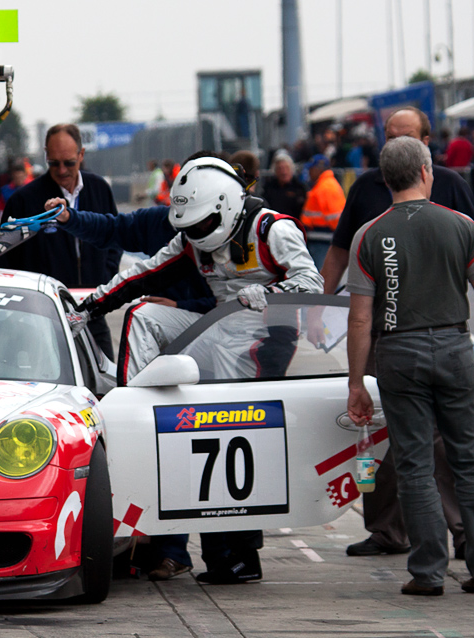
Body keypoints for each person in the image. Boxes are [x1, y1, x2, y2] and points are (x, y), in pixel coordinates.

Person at [68, 156, 323, 583]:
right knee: (143, 315)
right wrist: (89, 305)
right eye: (188, 227)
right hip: (217, 329)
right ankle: (136, 414)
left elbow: (312, 284)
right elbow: (143, 272)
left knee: (226, 432)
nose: (195, 236)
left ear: (225, 206)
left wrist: (271, 292)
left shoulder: (272, 229)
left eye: (202, 226)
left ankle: (241, 554)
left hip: (265, 337)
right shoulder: (191, 237)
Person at [317, 107, 474, 562]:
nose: (393, 146)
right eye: (389, 137)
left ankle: (458, 537)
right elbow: (337, 251)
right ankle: (389, 531)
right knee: (386, 441)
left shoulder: (451, 188)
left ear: (427, 147)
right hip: (389, 338)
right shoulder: (366, 192)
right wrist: (316, 305)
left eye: (405, 137)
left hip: (420, 338)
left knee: (440, 451)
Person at [346, 136, 474, 596]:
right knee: (469, 462)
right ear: (425, 172)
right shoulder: (460, 226)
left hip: (398, 352)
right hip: (454, 347)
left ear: (386, 178)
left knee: (415, 466)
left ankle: (428, 572)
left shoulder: (369, 235)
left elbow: (360, 318)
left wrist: (356, 382)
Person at [0, 123, 122, 358]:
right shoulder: (24, 200)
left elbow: (116, 237)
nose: (62, 170)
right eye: (54, 163)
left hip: (91, 310)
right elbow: (2, 258)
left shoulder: (99, 189)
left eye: (69, 162)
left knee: (105, 387)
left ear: (81, 155)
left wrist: (104, 277)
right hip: (41, 317)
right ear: (46, 156)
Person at [300, 154, 346, 232]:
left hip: (323, 235)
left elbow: (335, 218)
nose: (309, 172)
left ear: (319, 169)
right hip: (319, 233)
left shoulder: (326, 187)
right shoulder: (323, 184)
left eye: (311, 169)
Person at [261, 150, 308, 219]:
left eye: (286, 168)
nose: (283, 172)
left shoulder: (300, 188)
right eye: (280, 168)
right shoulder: (269, 188)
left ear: (291, 169)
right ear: (275, 171)